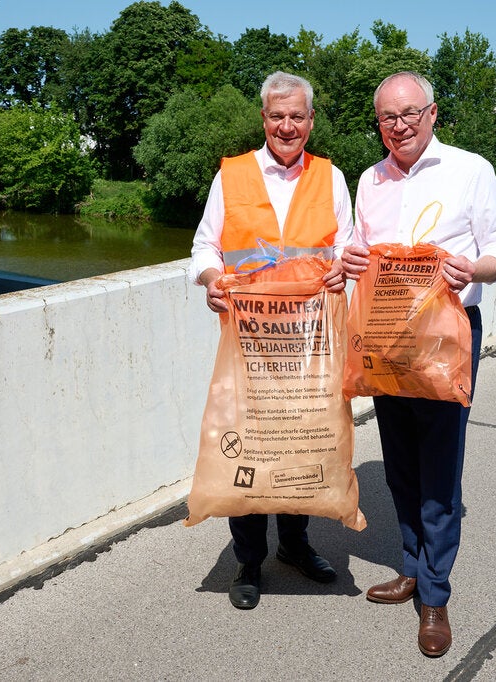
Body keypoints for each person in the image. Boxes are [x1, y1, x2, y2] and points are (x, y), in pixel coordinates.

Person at [341, 71, 496, 656]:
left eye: (410, 112)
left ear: (433, 113)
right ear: (379, 122)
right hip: (388, 338)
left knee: (439, 470)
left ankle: (435, 597)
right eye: (388, 116)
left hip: (446, 339)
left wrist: (477, 269)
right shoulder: (369, 179)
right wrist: (351, 255)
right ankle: (412, 567)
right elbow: (355, 250)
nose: (400, 125)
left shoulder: (471, 169)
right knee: (400, 466)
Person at [190, 71, 352, 610]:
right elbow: (204, 247)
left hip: (308, 350)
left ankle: (296, 545)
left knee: (302, 446)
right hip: (249, 349)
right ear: (264, 118)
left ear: (311, 121)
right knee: (249, 453)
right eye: (277, 115)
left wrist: (340, 272)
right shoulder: (231, 176)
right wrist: (213, 282)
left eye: (297, 116)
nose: (287, 125)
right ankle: (249, 560)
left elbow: (348, 250)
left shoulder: (331, 178)